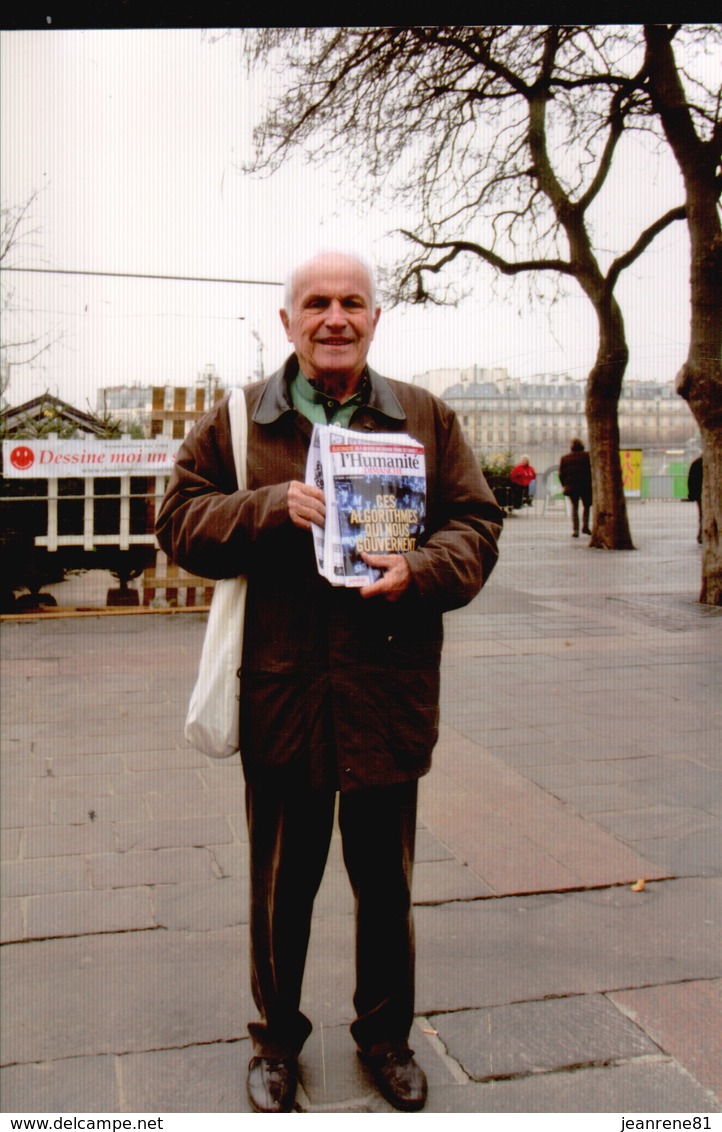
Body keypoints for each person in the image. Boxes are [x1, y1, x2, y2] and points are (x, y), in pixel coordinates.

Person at [156, 251, 502, 1114]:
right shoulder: (240, 418)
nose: (336, 318)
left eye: (353, 302)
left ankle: (386, 1038)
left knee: (386, 886)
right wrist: (266, 506)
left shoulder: (423, 416)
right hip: (283, 690)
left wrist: (419, 570)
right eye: (318, 304)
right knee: (282, 888)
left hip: (388, 692)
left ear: (375, 318)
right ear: (288, 323)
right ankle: (275, 1041)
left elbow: (477, 525)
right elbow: (175, 521)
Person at [559, 438, 593, 537]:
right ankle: (585, 526)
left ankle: (575, 530)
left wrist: (565, 484)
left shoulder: (564, 458)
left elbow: (561, 474)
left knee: (575, 507)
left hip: (572, 486)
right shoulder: (588, 456)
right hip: (585, 486)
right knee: (586, 506)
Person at [687, 455, 703, 544]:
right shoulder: (699, 463)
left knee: (702, 515)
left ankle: (701, 535)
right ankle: (701, 535)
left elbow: (691, 480)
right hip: (701, 494)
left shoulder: (696, 463)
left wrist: (692, 494)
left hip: (699, 495)